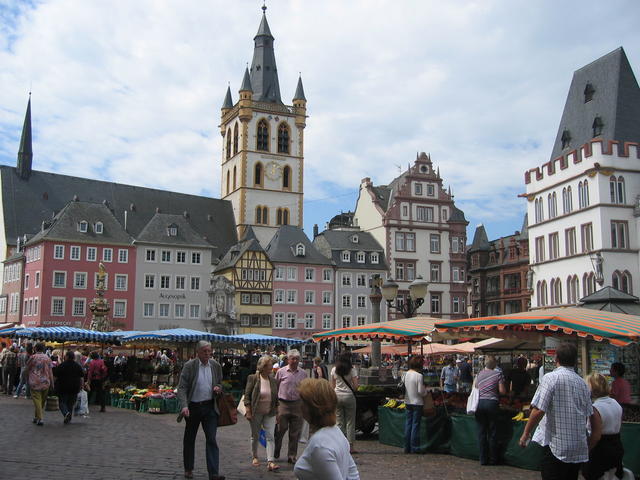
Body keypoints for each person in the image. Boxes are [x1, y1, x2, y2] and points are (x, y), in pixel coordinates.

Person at [519, 342, 594, 480]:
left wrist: (526, 433)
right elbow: (589, 414)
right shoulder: (582, 383)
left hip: (556, 444)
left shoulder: (551, 378)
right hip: (576, 445)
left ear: (556, 359)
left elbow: (538, 410)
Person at [177, 340, 225, 480]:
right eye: (204, 351)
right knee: (190, 438)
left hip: (209, 407)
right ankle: (189, 468)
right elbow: (182, 387)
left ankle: (213, 473)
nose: (207, 354)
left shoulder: (215, 366)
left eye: (209, 351)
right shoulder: (190, 366)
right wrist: (184, 406)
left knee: (211, 439)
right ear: (197, 352)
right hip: (193, 407)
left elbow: (220, 383)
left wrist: (218, 388)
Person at [293, 378, 360, 480]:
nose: (300, 406)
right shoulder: (336, 431)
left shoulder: (320, 445)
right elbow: (353, 474)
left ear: (311, 407)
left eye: (303, 402)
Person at [582, 373, 624, 480]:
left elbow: (596, 436)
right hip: (616, 444)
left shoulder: (596, 408)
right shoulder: (615, 403)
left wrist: (586, 451)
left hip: (601, 449)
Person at [244, 355, 279, 471]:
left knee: (270, 436)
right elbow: (247, 395)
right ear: (263, 367)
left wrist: (277, 411)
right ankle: (255, 456)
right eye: (269, 366)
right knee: (255, 435)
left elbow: (276, 397)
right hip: (256, 412)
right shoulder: (253, 378)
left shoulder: (273, 380)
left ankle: (270, 461)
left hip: (270, 412)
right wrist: (248, 410)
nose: (271, 368)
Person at [274, 349, 308, 464]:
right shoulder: (281, 372)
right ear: (288, 359)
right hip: (283, 404)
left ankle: (292, 455)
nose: (295, 361)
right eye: (292, 359)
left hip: (297, 405)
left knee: (295, 432)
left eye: (297, 359)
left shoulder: (303, 373)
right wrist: (275, 404)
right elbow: (276, 387)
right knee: (280, 429)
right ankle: (276, 450)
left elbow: (305, 389)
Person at [475, 355, 506, 465]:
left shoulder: (479, 374)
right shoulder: (498, 374)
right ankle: (493, 459)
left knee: (481, 432)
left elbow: (475, 386)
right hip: (492, 403)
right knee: (492, 432)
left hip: (480, 403)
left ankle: (483, 459)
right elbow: (502, 391)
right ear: (494, 364)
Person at [330, 352, 359, 454]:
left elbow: (332, 386)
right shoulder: (352, 370)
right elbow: (356, 386)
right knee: (350, 422)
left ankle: (339, 445)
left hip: (337, 396)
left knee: (339, 422)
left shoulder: (334, 369)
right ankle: (350, 446)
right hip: (349, 396)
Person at [25, 342, 54, 426]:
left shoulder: (32, 357)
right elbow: (50, 371)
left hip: (35, 381)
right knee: (41, 402)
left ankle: (39, 418)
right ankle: (37, 417)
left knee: (37, 401)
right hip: (46, 382)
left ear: (35, 349)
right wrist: (52, 383)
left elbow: (27, 369)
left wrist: (27, 379)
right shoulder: (47, 358)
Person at [54, 350, 85, 424]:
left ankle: (66, 413)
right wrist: (81, 386)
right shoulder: (77, 366)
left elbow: (55, 376)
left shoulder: (62, 365)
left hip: (63, 387)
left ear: (67, 356)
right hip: (75, 387)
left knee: (62, 402)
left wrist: (53, 384)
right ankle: (69, 417)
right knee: (70, 404)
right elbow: (82, 377)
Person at [403, 355, 426, 454]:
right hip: (417, 402)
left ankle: (406, 447)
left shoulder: (406, 374)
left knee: (408, 424)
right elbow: (421, 391)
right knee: (415, 425)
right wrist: (426, 391)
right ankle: (415, 447)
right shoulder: (419, 376)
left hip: (408, 401)